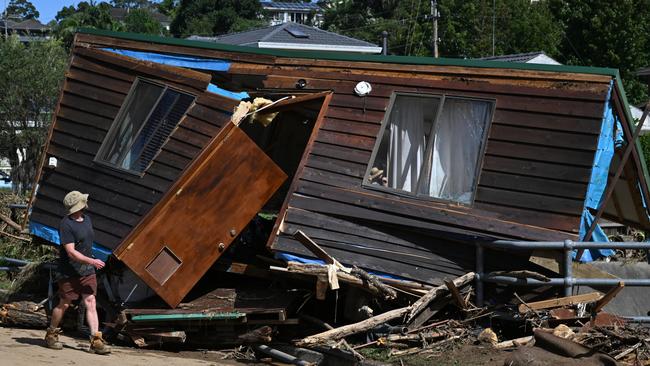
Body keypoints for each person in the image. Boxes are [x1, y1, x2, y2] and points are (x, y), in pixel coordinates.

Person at [44, 191, 111, 355]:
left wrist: (90, 261)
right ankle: (51, 333)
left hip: (87, 270)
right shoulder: (66, 224)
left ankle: (96, 340)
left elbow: (86, 243)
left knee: (91, 301)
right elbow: (71, 252)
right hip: (69, 271)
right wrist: (92, 261)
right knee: (64, 304)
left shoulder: (87, 219)